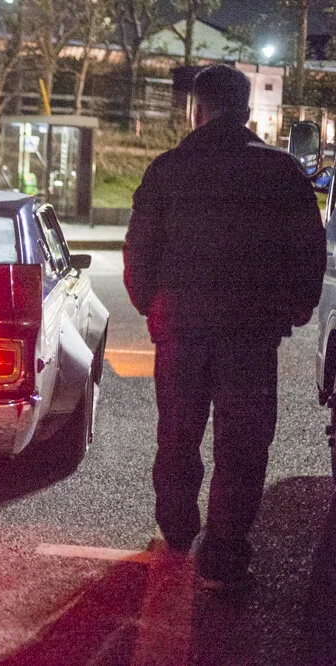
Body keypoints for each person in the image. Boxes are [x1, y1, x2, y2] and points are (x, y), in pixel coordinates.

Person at [123, 64, 326, 592]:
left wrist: (149, 304)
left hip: (181, 327)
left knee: (178, 433)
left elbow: (139, 248)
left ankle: (177, 528)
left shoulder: (167, 170)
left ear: (198, 109)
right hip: (252, 333)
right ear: (247, 110)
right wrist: (297, 307)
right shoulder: (281, 172)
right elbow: (309, 250)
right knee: (242, 446)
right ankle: (224, 555)